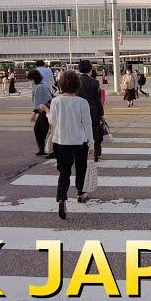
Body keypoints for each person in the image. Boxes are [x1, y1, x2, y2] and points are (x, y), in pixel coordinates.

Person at [46, 71, 95, 220]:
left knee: (64, 172)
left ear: (61, 84)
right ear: (77, 85)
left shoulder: (56, 101)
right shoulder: (82, 102)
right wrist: (91, 143)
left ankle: (62, 198)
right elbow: (87, 124)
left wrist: (47, 112)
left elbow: (52, 122)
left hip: (61, 142)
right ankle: (80, 193)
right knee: (81, 169)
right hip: (79, 141)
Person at [76, 60, 105, 162]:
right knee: (94, 133)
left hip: (77, 111)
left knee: (80, 132)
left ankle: (81, 154)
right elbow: (98, 100)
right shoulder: (95, 82)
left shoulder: (75, 81)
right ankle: (96, 154)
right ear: (90, 69)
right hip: (93, 111)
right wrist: (101, 114)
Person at [27, 69, 53, 156]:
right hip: (44, 111)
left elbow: (40, 102)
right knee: (39, 130)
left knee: (42, 131)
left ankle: (47, 150)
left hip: (45, 111)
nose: (30, 81)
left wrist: (34, 113)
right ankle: (43, 149)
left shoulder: (40, 87)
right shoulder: (39, 86)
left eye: (30, 79)